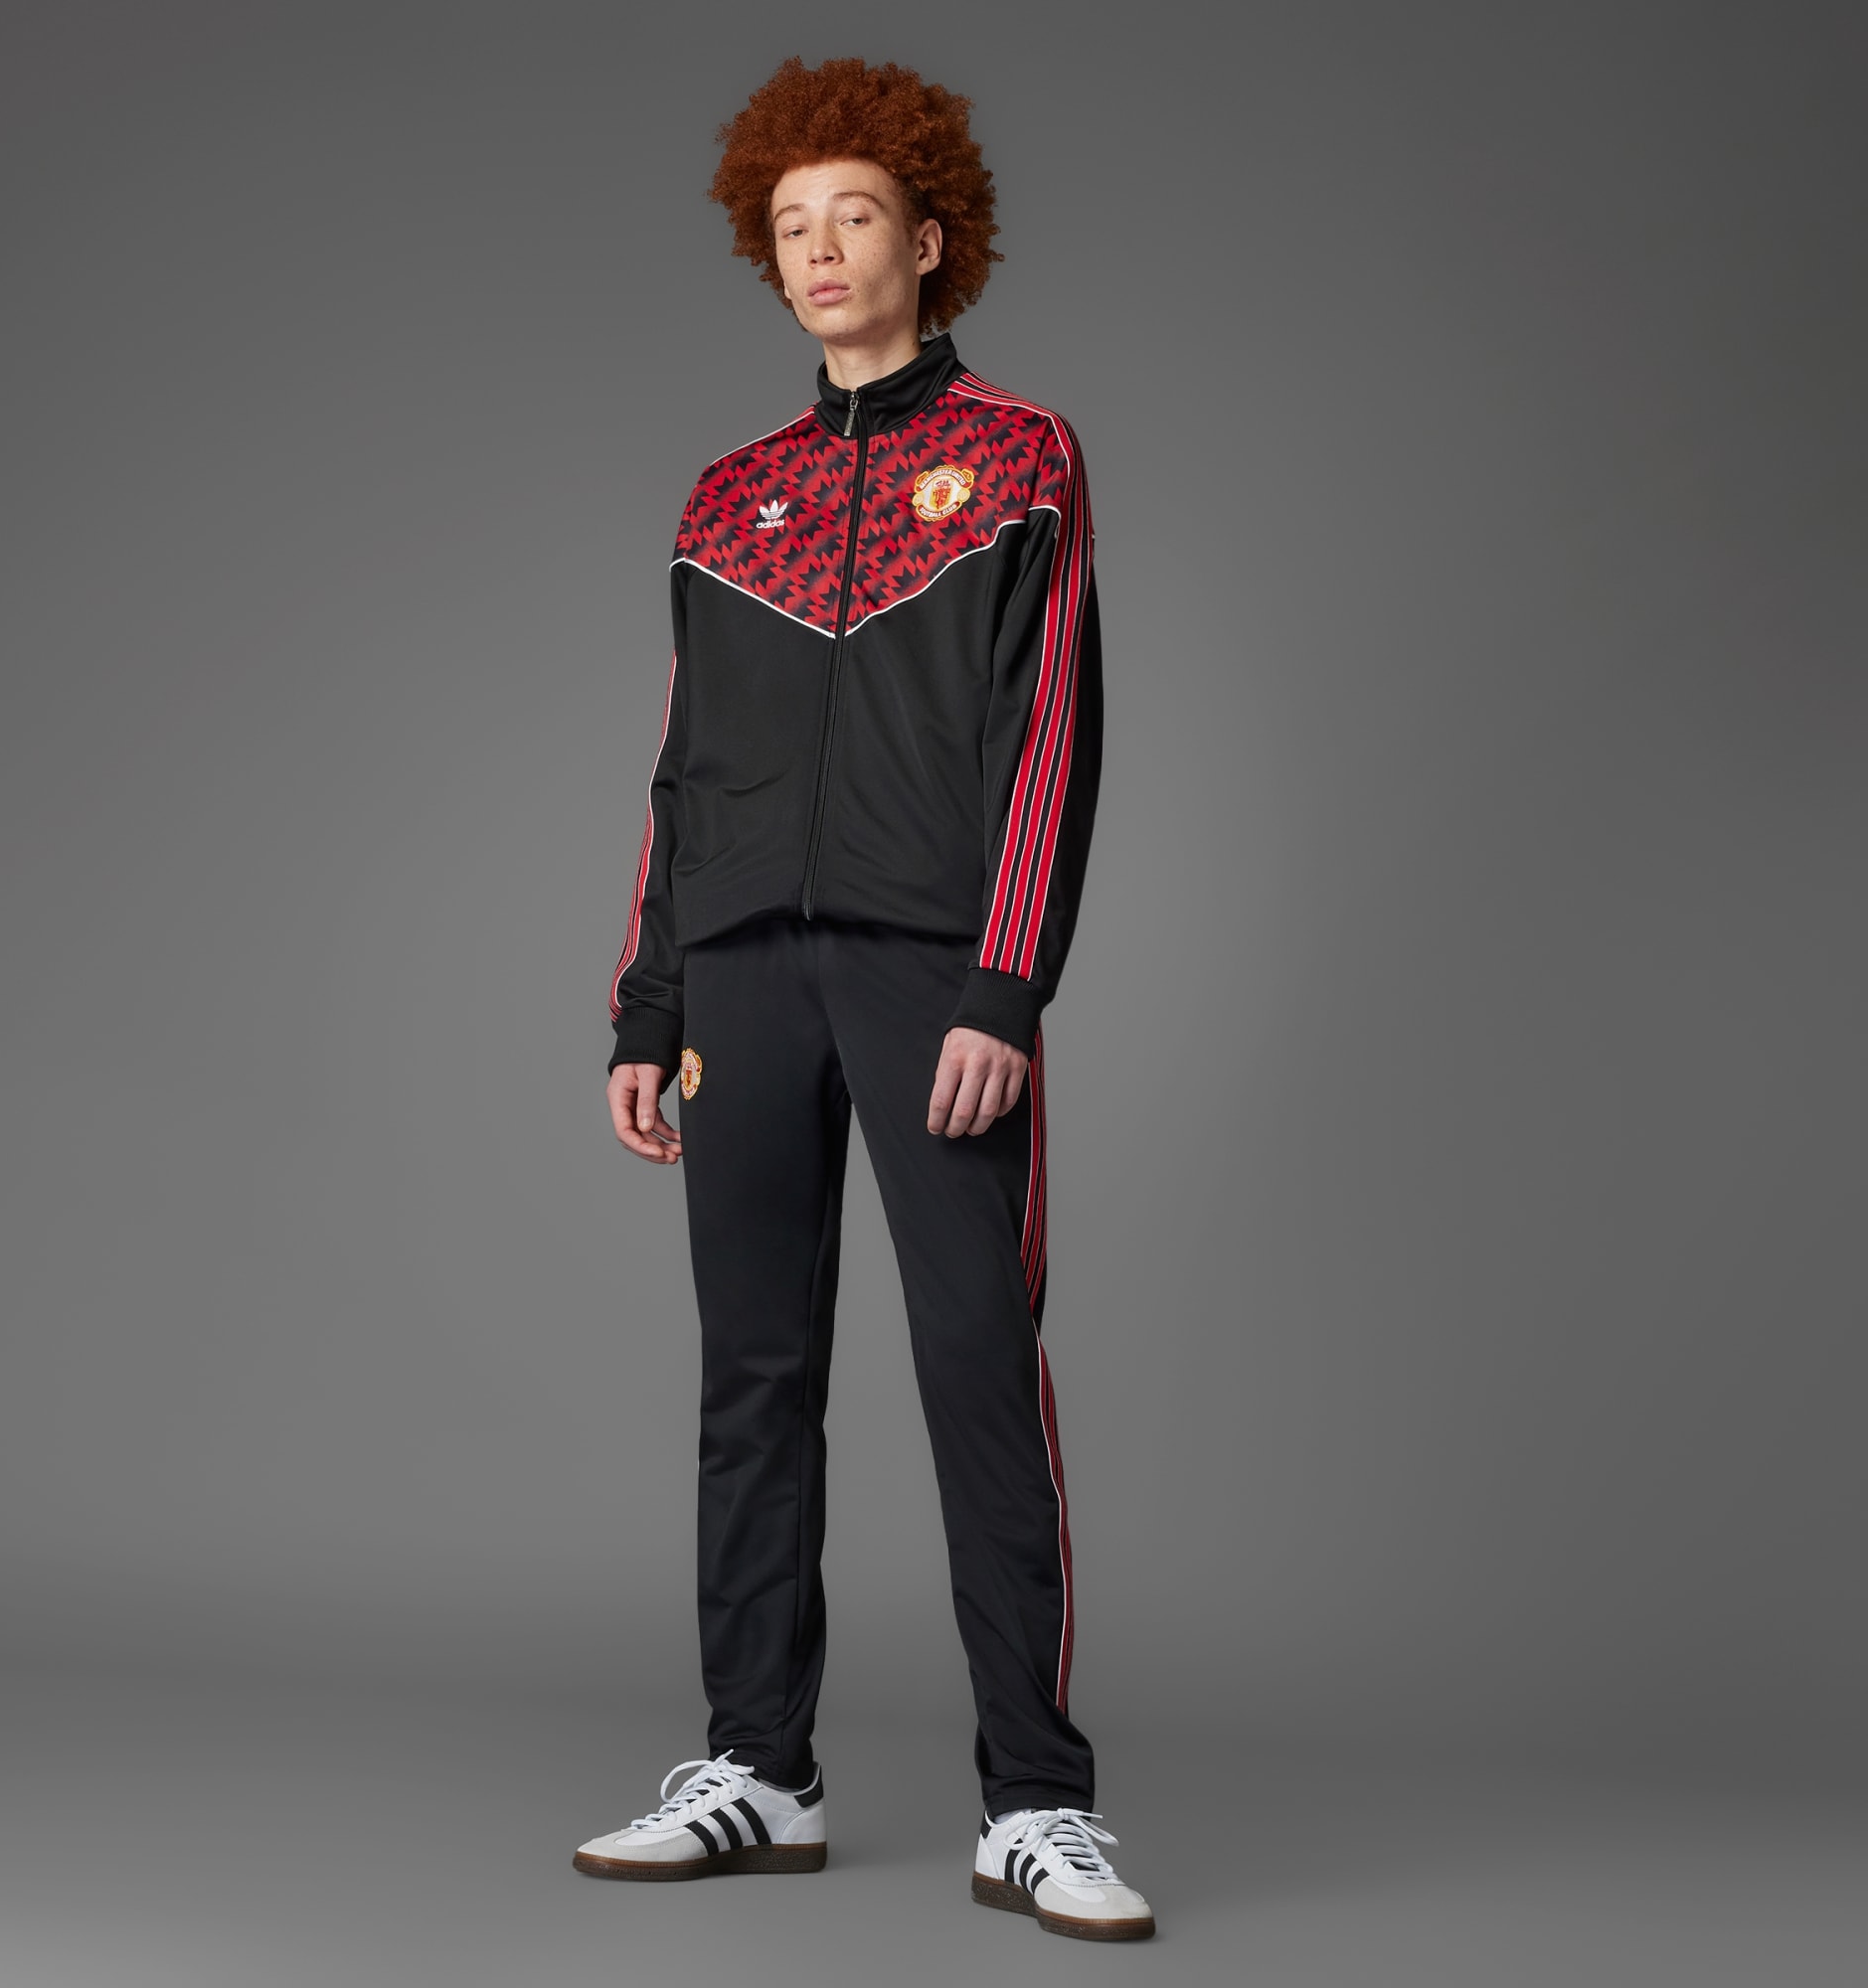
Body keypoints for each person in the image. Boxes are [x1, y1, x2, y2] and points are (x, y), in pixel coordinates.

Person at [575, 57, 1152, 1942]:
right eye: (790, 227)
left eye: (855, 218)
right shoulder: (726, 498)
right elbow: (681, 772)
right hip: (741, 978)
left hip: (933, 979)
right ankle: (760, 1767)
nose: (819, 252)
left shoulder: (1021, 457)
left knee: (977, 1364)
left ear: (928, 236)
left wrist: (1006, 986)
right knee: (754, 1379)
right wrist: (647, 1005)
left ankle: (1037, 1803)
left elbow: (1046, 740)